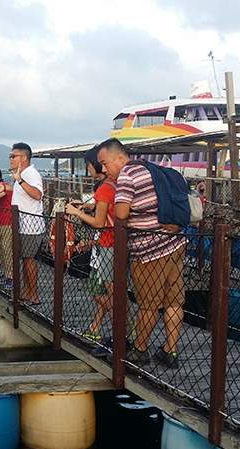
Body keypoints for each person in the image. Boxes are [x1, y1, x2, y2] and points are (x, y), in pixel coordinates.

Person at [97, 138, 186, 368]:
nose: (104, 170)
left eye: (105, 163)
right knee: (174, 300)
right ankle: (170, 352)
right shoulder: (148, 167)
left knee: (148, 303)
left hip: (149, 250)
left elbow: (121, 214)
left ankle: (140, 350)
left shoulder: (127, 175)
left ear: (119, 157)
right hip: (174, 243)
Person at [66, 147, 115, 343]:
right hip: (108, 243)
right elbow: (105, 208)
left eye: (89, 164)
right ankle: (96, 327)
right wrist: (86, 206)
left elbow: (99, 223)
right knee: (103, 289)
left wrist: (76, 212)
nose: (88, 169)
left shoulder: (105, 188)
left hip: (107, 244)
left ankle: (124, 329)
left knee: (103, 291)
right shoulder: (112, 185)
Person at [7, 142, 44, 304]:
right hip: (23, 225)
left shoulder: (31, 174)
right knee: (25, 258)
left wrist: (20, 180)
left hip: (31, 225)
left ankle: (33, 295)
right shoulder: (23, 174)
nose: (11, 159)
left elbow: (37, 194)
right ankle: (27, 292)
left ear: (23, 158)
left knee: (29, 259)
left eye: (13, 156)